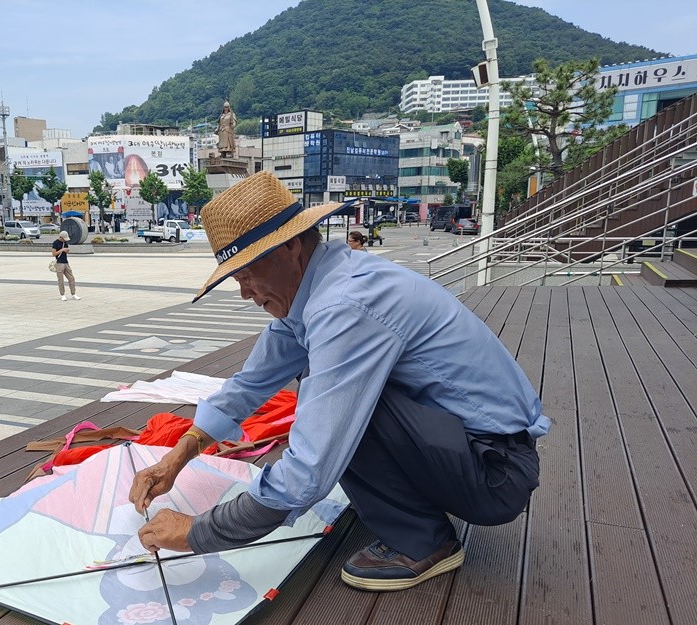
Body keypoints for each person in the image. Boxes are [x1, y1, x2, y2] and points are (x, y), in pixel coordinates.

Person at [129, 171, 548, 592]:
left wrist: (197, 532)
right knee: (329, 395)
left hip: (495, 473)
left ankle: (424, 541)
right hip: (469, 450)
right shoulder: (321, 287)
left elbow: (309, 467)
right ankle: (411, 513)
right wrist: (178, 455)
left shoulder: (343, 304)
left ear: (290, 246)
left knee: (334, 406)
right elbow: (249, 385)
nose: (245, 293)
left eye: (247, 274)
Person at [51, 230, 80, 301]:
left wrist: (67, 250)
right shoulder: (55, 243)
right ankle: (62, 295)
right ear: (61, 237)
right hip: (59, 263)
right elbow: (53, 254)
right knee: (61, 280)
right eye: (64, 238)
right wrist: (62, 250)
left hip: (66, 262)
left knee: (71, 278)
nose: (65, 240)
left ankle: (73, 294)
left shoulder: (65, 243)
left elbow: (65, 252)